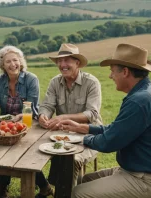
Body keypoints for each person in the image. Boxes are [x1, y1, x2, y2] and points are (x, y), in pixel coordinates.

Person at [57, 43, 151, 198]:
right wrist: (85, 128)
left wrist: (82, 140)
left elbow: (108, 143)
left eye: (112, 71)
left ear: (125, 72)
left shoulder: (139, 101)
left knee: (78, 193)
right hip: (140, 170)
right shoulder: (148, 92)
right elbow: (119, 128)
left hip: (145, 178)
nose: (110, 76)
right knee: (83, 180)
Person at [0, 45, 52, 198]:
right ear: (2, 65)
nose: (12, 64)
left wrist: (22, 116)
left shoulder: (31, 79)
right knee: (5, 151)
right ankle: (5, 189)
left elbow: (32, 106)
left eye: (15, 60)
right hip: (6, 124)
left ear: (21, 62)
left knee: (24, 155)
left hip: (28, 123)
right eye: (7, 61)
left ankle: (4, 189)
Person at [38, 43, 102, 187]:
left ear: (77, 63)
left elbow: (91, 114)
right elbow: (47, 105)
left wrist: (63, 117)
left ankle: (69, 192)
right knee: (37, 150)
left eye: (67, 60)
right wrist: (43, 115)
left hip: (89, 135)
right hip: (63, 135)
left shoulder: (91, 83)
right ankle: (50, 187)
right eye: (59, 61)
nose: (62, 64)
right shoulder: (55, 82)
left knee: (71, 159)